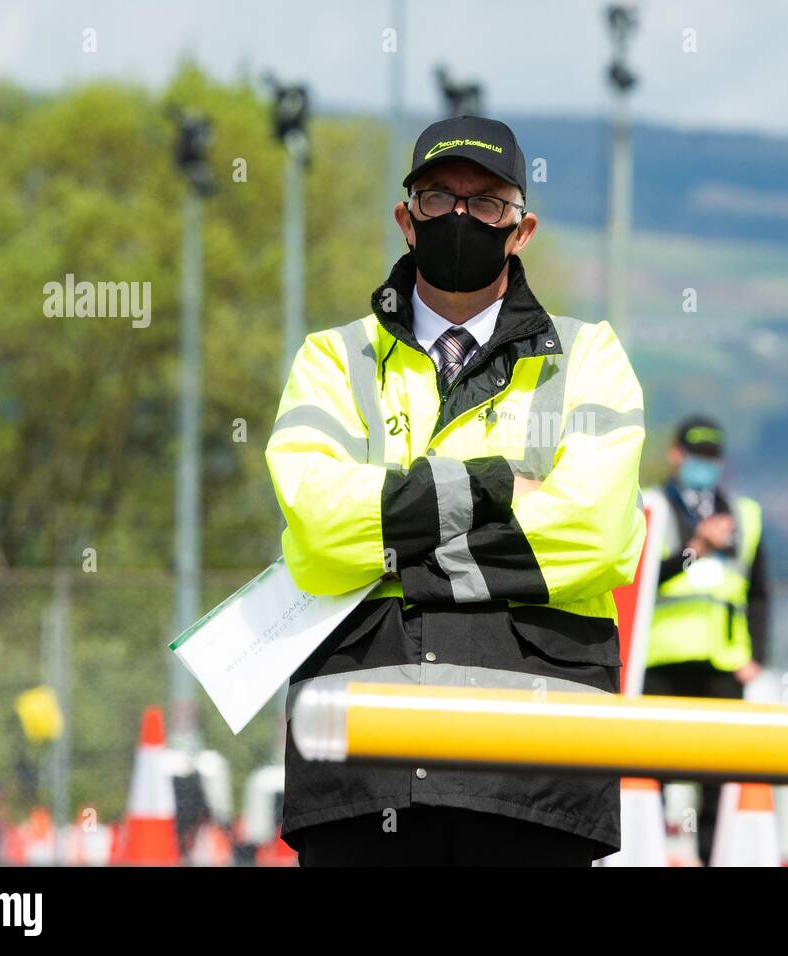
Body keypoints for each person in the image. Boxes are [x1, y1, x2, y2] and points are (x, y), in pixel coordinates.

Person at [264, 115, 646, 866]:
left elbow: (596, 533)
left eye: (488, 202)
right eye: (440, 199)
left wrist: (393, 545)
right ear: (407, 219)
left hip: (536, 775)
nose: (462, 216)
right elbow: (315, 527)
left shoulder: (590, 354)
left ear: (522, 228)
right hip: (361, 772)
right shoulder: (331, 359)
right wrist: (504, 486)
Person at [641, 415, 769, 864]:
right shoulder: (651, 506)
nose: (703, 465)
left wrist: (758, 656)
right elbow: (642, 580)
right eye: (696, 455)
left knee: (715, 778)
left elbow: (759, 594)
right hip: (660, 661)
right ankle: (650, 856)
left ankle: (709, 858)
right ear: (676, 454)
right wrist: (697, 547)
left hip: (722, 664)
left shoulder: (745, 514)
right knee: (650, 774)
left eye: (711, 457)